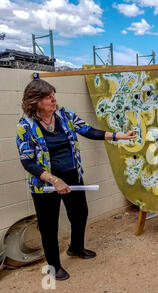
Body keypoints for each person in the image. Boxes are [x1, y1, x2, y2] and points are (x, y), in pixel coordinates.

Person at [16, 79, 135, 281]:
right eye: (48, 97)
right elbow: (28, 163)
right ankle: (54, 267)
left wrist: (119, 136)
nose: (54, 99)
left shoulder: (64, 115)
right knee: (48, 225)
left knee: (80, 213)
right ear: (34, 101)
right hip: (45, 183)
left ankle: (76, 248)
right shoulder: (25, 126)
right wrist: (54, 181)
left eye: (53, 94)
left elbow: (88, 130)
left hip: (72, 175)